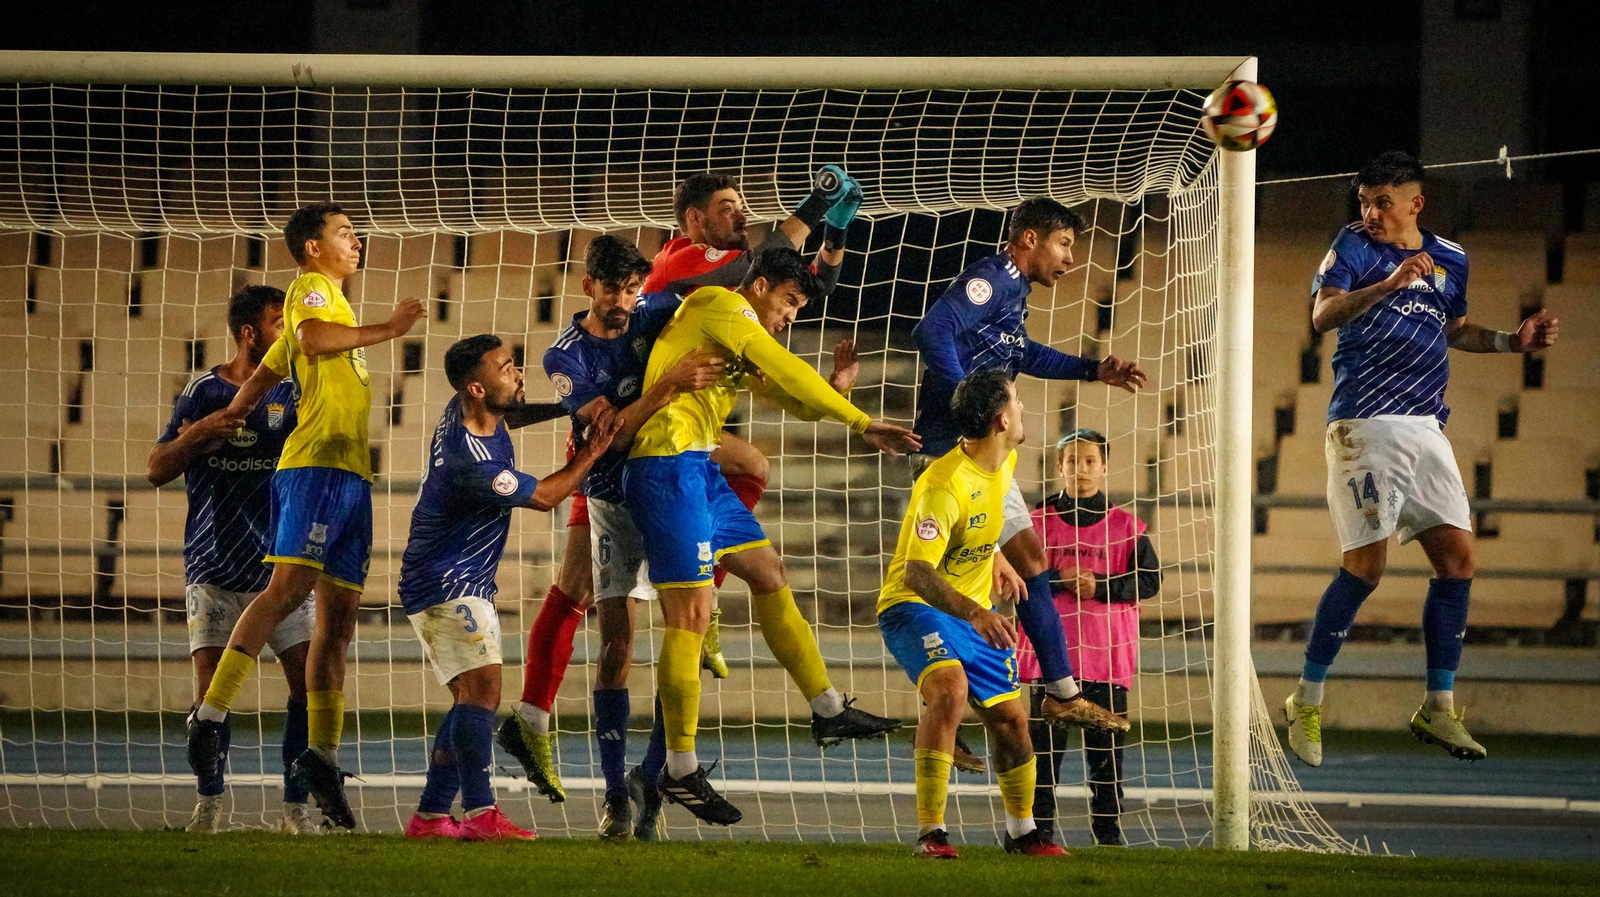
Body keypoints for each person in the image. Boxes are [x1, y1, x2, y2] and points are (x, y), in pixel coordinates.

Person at [622, 246, 919, 825]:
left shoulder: (736, 334)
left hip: (699, 466)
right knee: (690, 614)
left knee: (768, 572)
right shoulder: (718, 305)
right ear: (758, 287)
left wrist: (835, 390)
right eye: (788, 302)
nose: (789, 317)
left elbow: (787, 396)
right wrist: (858, 420)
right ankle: (678, 768)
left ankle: (827, 707)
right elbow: (785, 371)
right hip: (664, 464)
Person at [1285, 151, 1560, 766]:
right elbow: (1322, 314)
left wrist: (1511, 343)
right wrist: (1387, 285)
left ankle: (1438, 706)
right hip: (1365, 423)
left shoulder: (1452, 258)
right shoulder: (1352, 246)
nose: (1371, 212)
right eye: (1364, 201)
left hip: (1426, 425)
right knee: (1366, 568)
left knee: (1459, 562)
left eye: (1383, 201)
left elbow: (1453, 329)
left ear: (1416, 202)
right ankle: (1306, 697)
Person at [184, 200, 427, 830]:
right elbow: (313, 342)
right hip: (315, 465)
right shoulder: (310, 292)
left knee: (339, 619)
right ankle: (210, 717)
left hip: (351, 473)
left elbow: (269, 371)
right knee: (287, 589)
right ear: (313, 248)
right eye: (345, 233)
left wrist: (235, 411)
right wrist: (389, 329)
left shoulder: (333, 303)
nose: (357, 241)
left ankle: (319, 757)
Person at [499, 234, 724, 839]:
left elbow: (721, 292)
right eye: (614, 289)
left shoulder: (651, 312)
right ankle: (613, 794)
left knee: (685, 633)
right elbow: (613, 435)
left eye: (632, 289)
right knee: (618, 643)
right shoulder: (565, 358)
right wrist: (669, 383)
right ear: (586, 287)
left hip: (671, 487)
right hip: (611, 499)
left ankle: (652, 779)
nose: (625, 301)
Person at [911, 196, 1144, 733]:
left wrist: (1092, 370)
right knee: (945, 582)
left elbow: (1024, 354)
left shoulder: (1013, 293)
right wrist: (963, 393)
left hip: (986, 455)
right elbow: (932, 331)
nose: (1069, 258)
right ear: (1030, 239)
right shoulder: (993, 277)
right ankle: (940, 709)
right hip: (952, 451)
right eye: (1064, 244)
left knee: (1033, 562)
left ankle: (1062, 693)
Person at [399, 334, 622, 841]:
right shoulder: (470, 459)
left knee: (469, 697)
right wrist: (593, 449)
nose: (519, 373)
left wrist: (573, 406)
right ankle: (481, 815)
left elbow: (513, 413)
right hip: (446, 579)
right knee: (484, 692)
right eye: (507, 368)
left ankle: (432, 816)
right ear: (477, 388)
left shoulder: (472, 410)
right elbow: (544, 497)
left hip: (453, 576)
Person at [148, 285, 316, 835]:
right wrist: (196, 435)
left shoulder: (292, 392)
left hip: (281, 571)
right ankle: (210, 805)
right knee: (210, 695)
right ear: (250, 334)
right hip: (215, 567)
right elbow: (156, 468)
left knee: (307, 688)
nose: (285, 332)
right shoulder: (202, 392)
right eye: (276, 322)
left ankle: (295, 810)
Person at [877, 370, 1065, 859]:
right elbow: (918, 573)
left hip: (970, 609)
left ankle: (1023, 833)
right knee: (950, 690)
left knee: (1011, 721)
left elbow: (979, 522)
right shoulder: (944, 484)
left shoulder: (1002, 460)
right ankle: (931, 834)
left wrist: (996, 557)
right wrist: (979, 612)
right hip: (914, 605)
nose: (1023, 410)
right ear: (1002, 419)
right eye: (1018, 402)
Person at [1020, 429, 1161, 848]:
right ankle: (1038, 831)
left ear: (1104, 467)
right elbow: (1013, 575)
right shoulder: (1035, 523)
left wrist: (1099, 586)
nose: (1080, 469)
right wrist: (1058, 580)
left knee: (1106, 758)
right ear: (1058, 466)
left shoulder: (1127, 527)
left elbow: (1150, 581)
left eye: (1089, 461)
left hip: (1106, 657)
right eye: (1071, 461)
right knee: (1042, 758)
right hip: (1049, 659)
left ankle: (1108, 834)